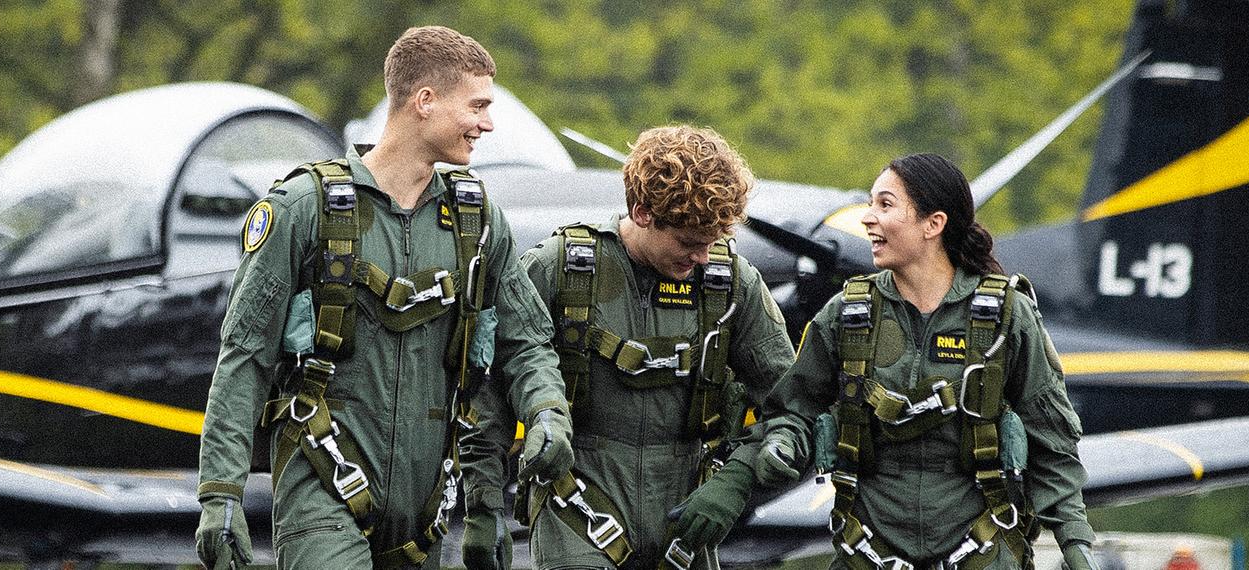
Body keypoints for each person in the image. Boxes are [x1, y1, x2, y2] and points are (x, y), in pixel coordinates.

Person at [193, 26, 576, 570]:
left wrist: (546, 415)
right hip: (321, 481)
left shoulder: (477, 222)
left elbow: (527, 343)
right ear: (425, 101)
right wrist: (220, 492)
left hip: (425, 507)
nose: (487, 123)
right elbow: (245, 355)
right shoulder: (305, 209)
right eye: (477, 105)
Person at [669, 153, 1097, 569]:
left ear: (934, 224)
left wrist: (1075, 543)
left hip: (983, 552)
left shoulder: (1005, 317)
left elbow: (1053, 444)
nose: (867, 218)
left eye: (885, 205)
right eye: (870, 203)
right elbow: (792, 412)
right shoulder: (847, 316)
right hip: (868, 553)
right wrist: (759, 463)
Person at [458, 125, 797, 570]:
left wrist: (735, 481)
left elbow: (793, 403)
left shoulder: (731, 285)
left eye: (713, 242)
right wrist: (483, 505)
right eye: (688, 242)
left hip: (687, 513)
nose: (701, 257)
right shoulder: (558, 270)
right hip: (576, 503)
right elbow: (491, 391)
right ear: (641, 212)